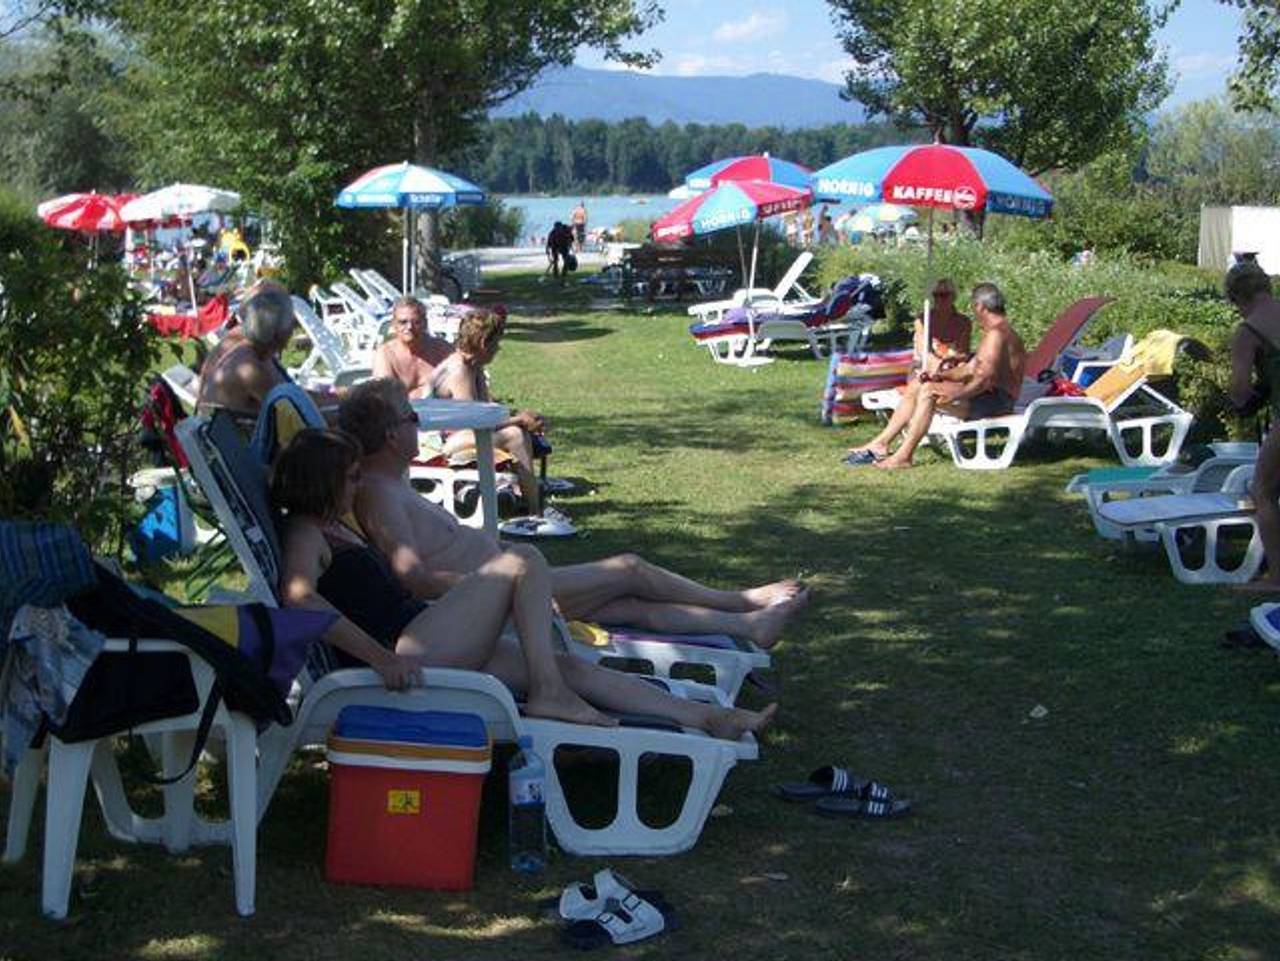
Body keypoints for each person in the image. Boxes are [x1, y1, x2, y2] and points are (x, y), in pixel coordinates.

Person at [272, 426, 777, 738]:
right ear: (324, 481)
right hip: (404, 650)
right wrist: (380, 659)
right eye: (352, 477)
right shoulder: (306, 531)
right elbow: (297, 599)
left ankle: (707, 719)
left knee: (559, 663)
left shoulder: (333, 526)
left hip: (424, 635)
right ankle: (549, 693)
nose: (359, 485)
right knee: (522, 559)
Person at [339, 378, 810, 649]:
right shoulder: (379, 495)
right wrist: (496, 584)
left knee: (622, 606)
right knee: (629, 569)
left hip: (503, 586)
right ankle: (741, 603)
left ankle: (746, 626)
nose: (419, 422)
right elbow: (412, 577)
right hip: (491, 598)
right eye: (410, 416)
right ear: (388, 435)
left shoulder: (391, 483)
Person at [864, 282, 1025, 470]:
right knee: (919, 385)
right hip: (988, 397)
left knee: (929, 392)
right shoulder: (997, 332)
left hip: (997, 403)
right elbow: (969, 370)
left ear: (980, 307)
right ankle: (882, 443)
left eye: (974, 307)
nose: (974, 312)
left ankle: (904, 456)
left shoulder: (997, 335)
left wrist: (956, 395)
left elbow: (984, 380)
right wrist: (940, 376)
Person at [429, 310, 550, 518]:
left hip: (460, 434)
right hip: (441, 445)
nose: (498, 348)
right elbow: (475, 420)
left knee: (518, 427)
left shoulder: (473, 366)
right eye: (496, 343)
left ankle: (526, 500)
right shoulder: (459, 371)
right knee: (515, 436)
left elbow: (486, 409)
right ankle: (534, 512)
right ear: (485, 343)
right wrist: (520, 420)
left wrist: (522, 416)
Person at [847, 279, 973, 465]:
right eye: (937, 295)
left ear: (954, 297)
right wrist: (940, 366)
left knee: (916, 388)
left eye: (945, 295)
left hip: (949, 373)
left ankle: (883, 443)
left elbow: (962, 354)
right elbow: (925, 355)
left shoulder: (963, 322)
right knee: (917, 385)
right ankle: (884, 443)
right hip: (924, 369)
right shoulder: (923, 320)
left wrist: (950, 364)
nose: (940, 299)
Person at [195, 280, 328, 425]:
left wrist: (337, 395)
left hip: (236, 430)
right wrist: (342, 397)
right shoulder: (250, 366)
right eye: (292, 323)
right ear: (280, 332)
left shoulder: (252, 348)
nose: (293, 329)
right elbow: (298, 409)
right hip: (239, 441)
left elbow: (293, 397)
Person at [1225, 261, 1280, 592]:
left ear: (1236, 297)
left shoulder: (1249, 331)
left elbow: (1240, 390)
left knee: (1262, 489)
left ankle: (1277, 577)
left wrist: (1242, 397)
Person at [371, 296, 454, 399]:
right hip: (400, 414)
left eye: (416, 322)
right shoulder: (386, 354)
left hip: (440, 412)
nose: (409, 327)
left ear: (425, 323)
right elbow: (386, 397)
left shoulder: (443, 350)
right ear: (394, 325)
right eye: (403, 322)